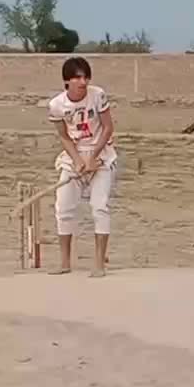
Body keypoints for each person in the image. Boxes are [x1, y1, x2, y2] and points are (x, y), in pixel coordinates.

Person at [48, 56, 116, 277]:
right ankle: (64, 263)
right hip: (73, 157)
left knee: (100, 206)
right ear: (67, 80)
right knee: (63, 207)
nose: (83, 82)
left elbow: (108, 128)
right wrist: (78, 160)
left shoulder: (98, 95)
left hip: (101, 154)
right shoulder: (57, 105)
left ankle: (99, 264)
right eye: (77, 78)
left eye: (85, 77)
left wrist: (93, 157)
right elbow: (64, 136)